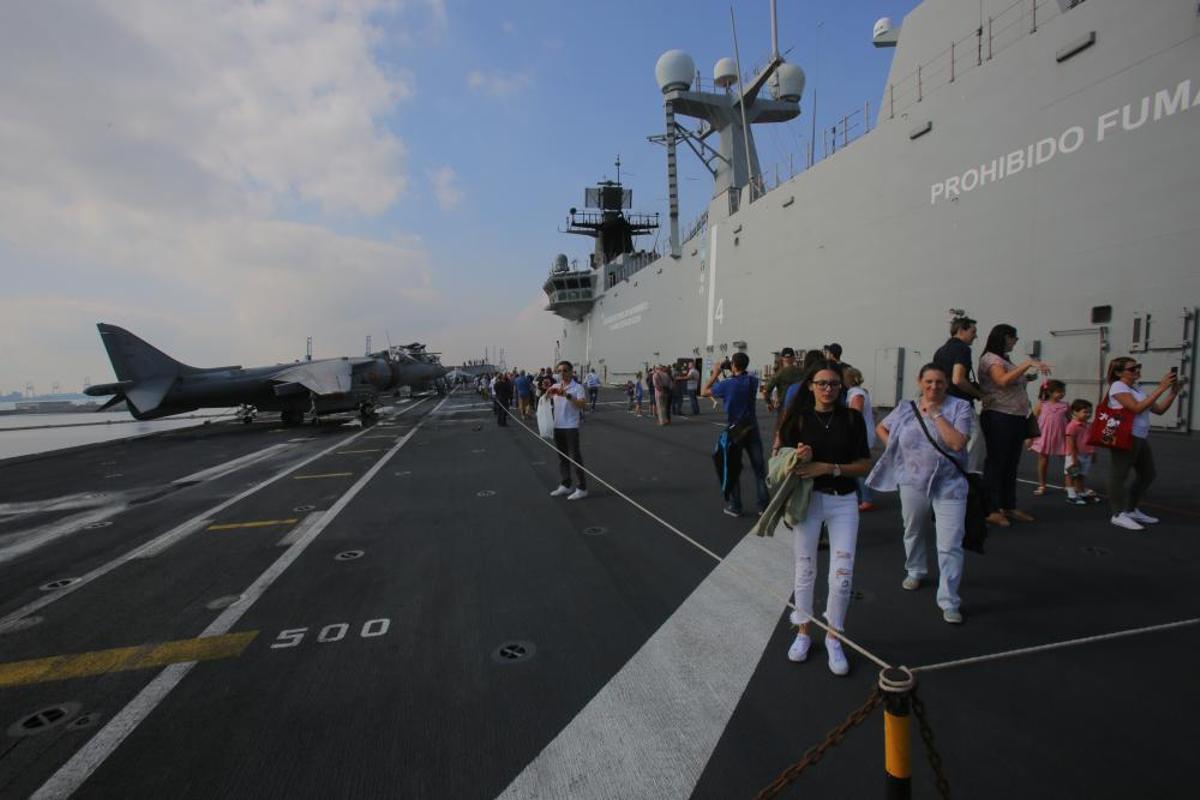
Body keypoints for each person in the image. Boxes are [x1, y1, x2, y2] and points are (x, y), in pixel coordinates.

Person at [775, 360, 873, 673]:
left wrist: (829, 468)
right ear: (810, 386)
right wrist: (796, 457)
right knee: (805, 569)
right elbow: (779, 459)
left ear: (841, 387)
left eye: (833, 383)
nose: (828, 389)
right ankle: (803, 630)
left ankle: (834, 636)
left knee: (842, 574)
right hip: (808, 501)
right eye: (822, 383)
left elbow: (864, 465)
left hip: (843, 502)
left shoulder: (852, 419)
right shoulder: (798, 419)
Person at [868, 364, 971, 624]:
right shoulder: (906, 407)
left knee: (950, 543)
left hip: (950, 483)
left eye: (939, 381)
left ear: (947, 383)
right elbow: (882, 427)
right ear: (919, 381)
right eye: (929, 381)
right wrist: (895, 449)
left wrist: (936, 414)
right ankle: (915, 568)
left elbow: (957, 443)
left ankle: (949, 599)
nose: (934, 386)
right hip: (913, 480)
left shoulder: (960, 407)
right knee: (913, 529)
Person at [978, 324, 1047, 527]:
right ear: (1005, 337)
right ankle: (990, 509)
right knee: (997, 463)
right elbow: (1001, 380)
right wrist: (1027, 364)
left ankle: (1008, 505)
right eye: (1014, 338)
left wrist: (1028, 377)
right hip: (999, 416)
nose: (1016, 341)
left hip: (1015, 416)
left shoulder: (1005, 359)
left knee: (1010, 463)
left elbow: (1011, 380)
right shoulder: (991, 359)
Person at [1103, 357, 1178, 530]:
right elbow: (1136, 408)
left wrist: (1172, 393)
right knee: (1118, 475)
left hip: (1140, 436)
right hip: (1125, 435)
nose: (1137, 370)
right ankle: (1118, 514)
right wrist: (1161, 387)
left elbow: (1159, 410)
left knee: (1148, 474)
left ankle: (1131, 509)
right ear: (1119, 373)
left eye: (1138, 366)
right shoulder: (1118, 386)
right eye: (1132, 368)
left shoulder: (1136, 387)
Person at [702, 351, 769, 517]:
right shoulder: (752, 381)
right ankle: (764, 506)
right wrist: (732, 368)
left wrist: (716, 373)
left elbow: (704, 391)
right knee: (759, 470)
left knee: (732, 468)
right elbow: (743, 375)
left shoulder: (727, 384)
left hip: (735, 430)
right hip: (751, 427)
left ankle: (735, 505)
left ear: (733, 365)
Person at [933, 314, 987, 475]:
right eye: (973, 331)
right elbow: (958, 379)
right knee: (973, 440)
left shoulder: (940, 351)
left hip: (943, 404)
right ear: (961, 330)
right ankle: (967, 478)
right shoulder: (963, 349)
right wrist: (980, 394)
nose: (975, 336)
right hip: (961, 404)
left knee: (946, 443)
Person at [547, 361, 589, 501]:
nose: (562, 373)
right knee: (562, 457)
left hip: (570, 426)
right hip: (558, 425)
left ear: (571, 372)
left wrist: (567, 395)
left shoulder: (578, 387)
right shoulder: (555, 386)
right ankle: (566, 484)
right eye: (559, 371)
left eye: (565, 370)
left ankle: (582, 488)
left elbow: (582, 405)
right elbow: (544, 398)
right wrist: (545, 391)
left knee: (575, 458)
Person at [844, 367, 877, 512]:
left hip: (860, 436)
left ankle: (866, 499)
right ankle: (861, 497)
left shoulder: (856, 394)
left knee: (859, 467)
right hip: (862, 434)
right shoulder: (859, 392)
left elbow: (855, 415)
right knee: (856, 466)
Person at [1030, 379, 1068, 495]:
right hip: (1044, 437)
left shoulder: (1065, 405)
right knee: (1043, 460)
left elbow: (1071, 420)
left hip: (1061, 437)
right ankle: (1042, 485)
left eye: (1063, 391)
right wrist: (1029, 437)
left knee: (1069, 461)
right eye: (1059, 391)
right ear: (1050, 392)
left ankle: (1070, 484)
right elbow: (1033, 420)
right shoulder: (1042, 404)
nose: (1062, 394)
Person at [1064, 399, 1100, 505]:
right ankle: (1071, 495)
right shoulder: (1072, 426)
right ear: (1075, 412)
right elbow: (1071, 444)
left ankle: (1080, 492)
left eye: (1090, 412)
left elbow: (1091, 441)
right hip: (1075, 455)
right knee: (1071, 475)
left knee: (1081, 475)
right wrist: (1074, 459)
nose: (1088, 414)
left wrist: (1093, 453)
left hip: (1087, 454)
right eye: (1085, 412)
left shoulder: (1088, 425)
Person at [763, 347, 805, 414]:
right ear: (794, 358)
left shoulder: (778, 374)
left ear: (782, 358)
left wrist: (769, 403)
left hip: (783, 407)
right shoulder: (802, 372)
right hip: (799, 406)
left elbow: (766, 390)